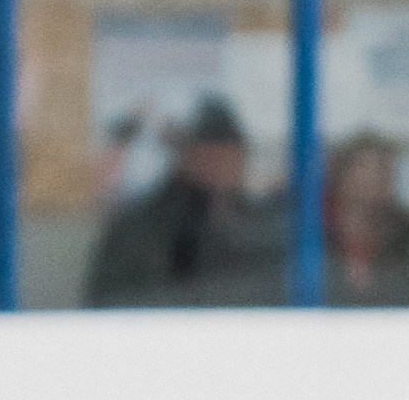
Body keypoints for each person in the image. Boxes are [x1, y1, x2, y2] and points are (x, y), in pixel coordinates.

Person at [84, 95, 289, 307]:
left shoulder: (264, 224)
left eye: (229, 155)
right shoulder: (142, 228)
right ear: (186, 158)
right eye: (208, 155)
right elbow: (110, 301)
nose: (220, 166)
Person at [326, 131, 409, 303]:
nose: (386, 178)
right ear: (344, 174)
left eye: (389, 169)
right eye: (376, 168)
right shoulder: (309, 227)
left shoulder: (400, 232)